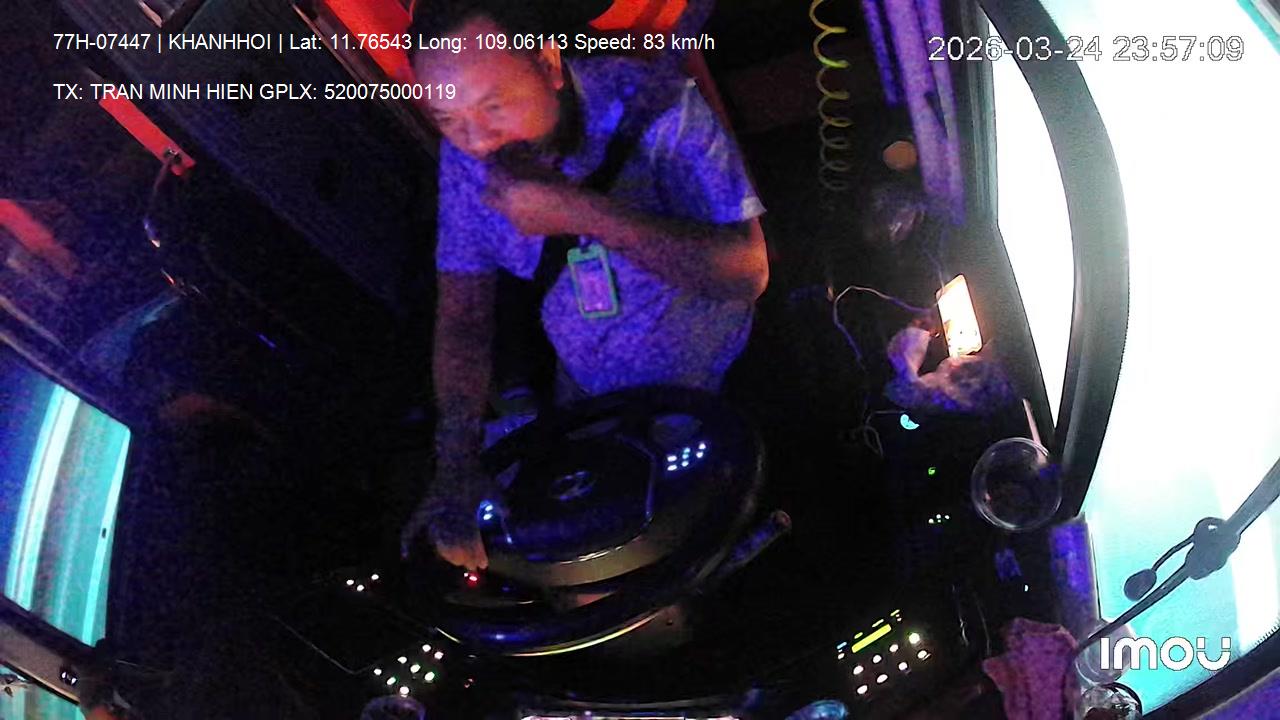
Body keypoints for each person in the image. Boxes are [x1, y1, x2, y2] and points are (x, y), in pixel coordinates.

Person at [401, 0, 768, 571]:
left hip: (721, 382)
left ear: (548, 64)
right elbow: (464, 317)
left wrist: (580, 212)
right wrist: (455, 459)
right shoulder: (465, 160)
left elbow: (748, 271)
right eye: (447, 119)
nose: (476, 142)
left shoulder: (654, 104)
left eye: (493, 106)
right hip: (591, 405)